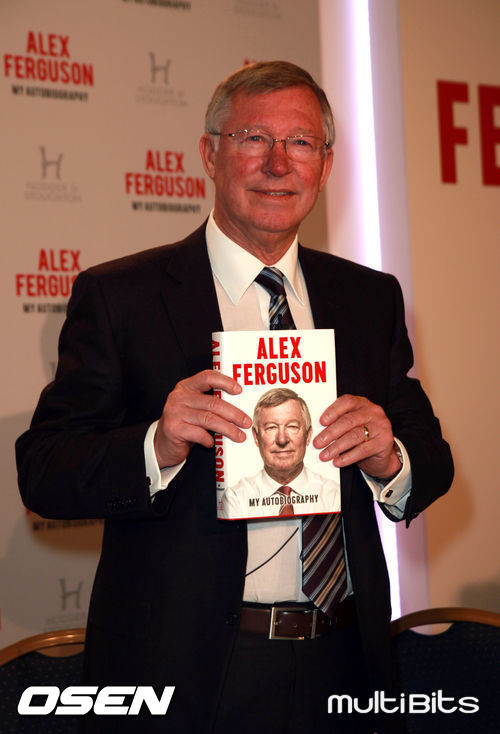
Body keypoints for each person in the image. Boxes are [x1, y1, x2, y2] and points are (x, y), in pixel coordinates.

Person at [16, 61, 453, 733]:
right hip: (191, 670)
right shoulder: (122, 297)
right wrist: (156, 444)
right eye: (254, 138)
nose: (278, 163)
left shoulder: (369, 297)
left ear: (325, 166)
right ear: (209, 154)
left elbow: (433, 461)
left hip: (344, 660)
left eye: (301, 143)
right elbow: (44, 469)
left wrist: (390, 457)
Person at [220, 388, 340, 518]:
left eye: (292, 426)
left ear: (308, 435)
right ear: (256, 437)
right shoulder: (236, 498)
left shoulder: (333, 494)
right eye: (271, 427)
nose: (282, 440)